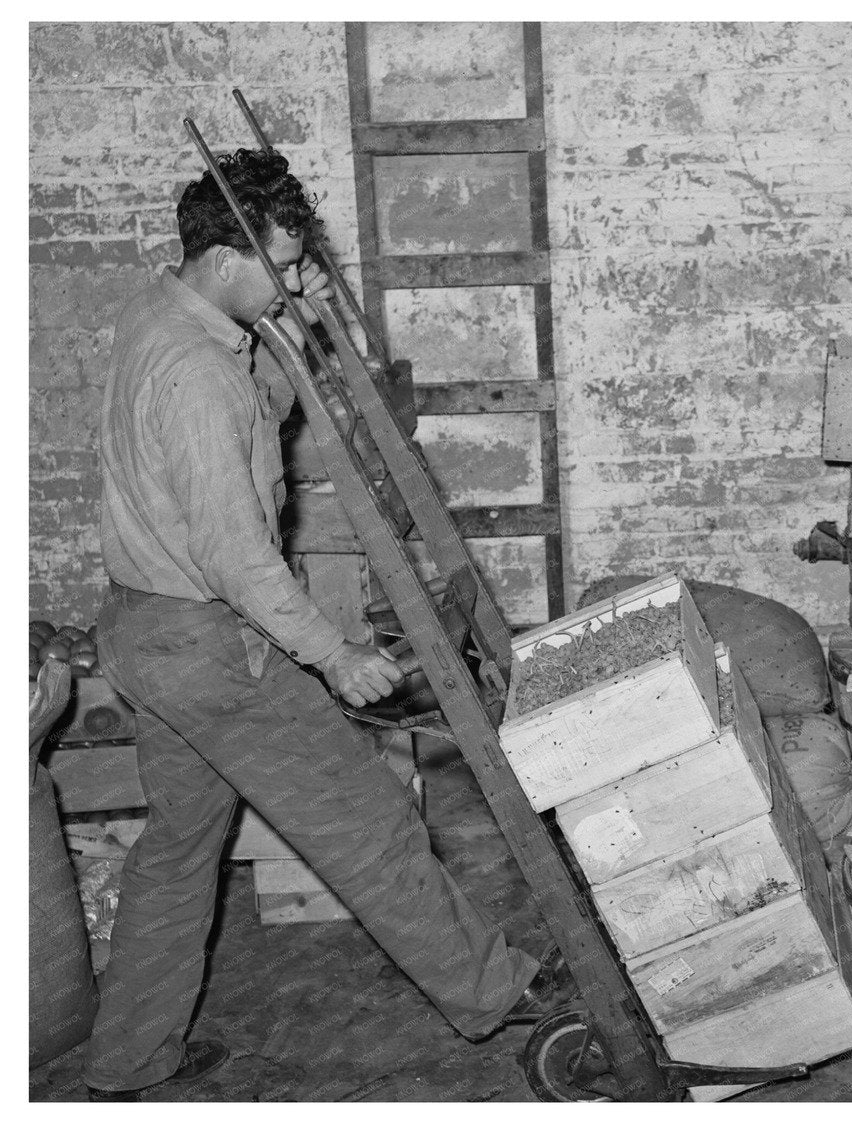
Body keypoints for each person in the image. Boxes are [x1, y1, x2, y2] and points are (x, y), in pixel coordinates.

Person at [84, 148, 566, 1102]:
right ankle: (497, 990)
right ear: (227, 258)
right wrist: (332, 654)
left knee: (179, 852)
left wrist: (286, 352)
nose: (294, 279)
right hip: (211, 646)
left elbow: (235, 438)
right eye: (281, 263)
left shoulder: (165, 318)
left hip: (144, 633)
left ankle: (126, 1060)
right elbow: (234, 553)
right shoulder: (197, 375)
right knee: (369, 822)